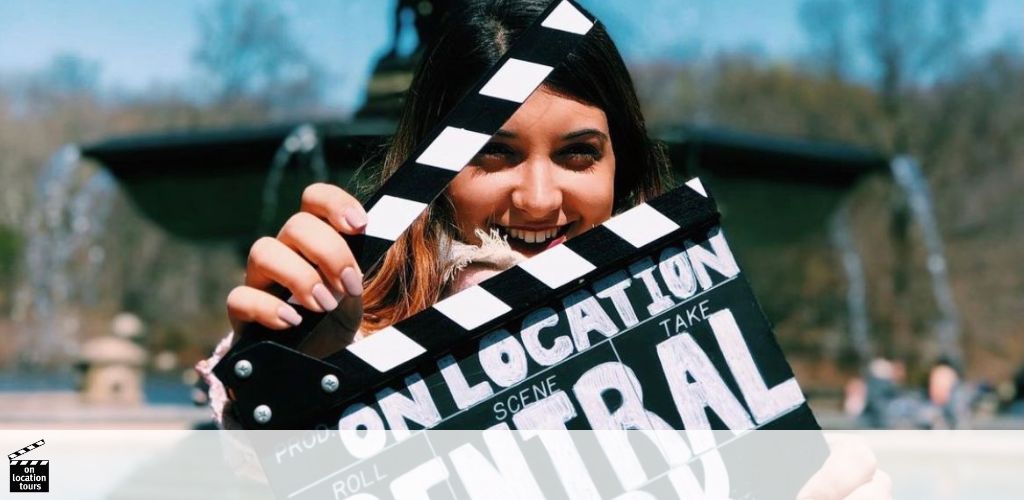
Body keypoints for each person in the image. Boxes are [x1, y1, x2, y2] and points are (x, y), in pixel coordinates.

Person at [201, 1, 891, 497]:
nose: (537, 198)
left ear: (622, 163)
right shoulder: (344, 348)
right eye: (492, 156)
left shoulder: (708, 344)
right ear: (430, 171)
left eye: (579, 154)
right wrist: (295, 401)